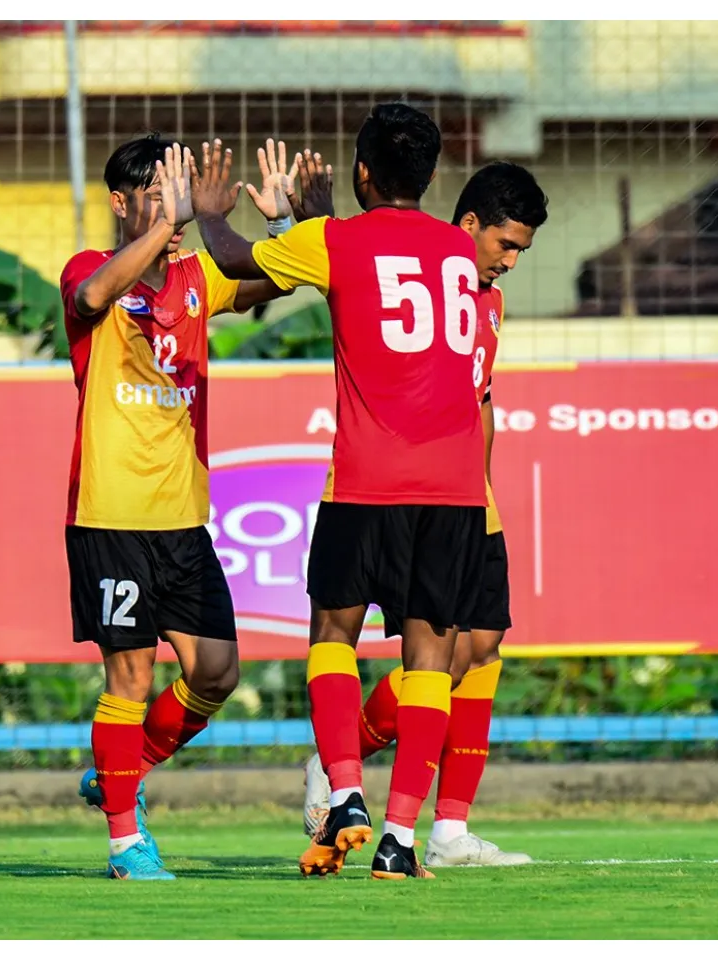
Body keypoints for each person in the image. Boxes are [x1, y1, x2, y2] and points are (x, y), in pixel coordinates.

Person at [194, 103, 489, 880]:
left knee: (332, 632)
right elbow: (363, 269)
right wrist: (315, 219)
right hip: (457, 485)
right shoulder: (459, 250)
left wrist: (208, 215)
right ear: (428, 178)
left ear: (362, 172)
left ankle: (347, 792)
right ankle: (400, 840)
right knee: (430, 656)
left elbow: (233, 262)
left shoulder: (335, 240)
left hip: (369, 480)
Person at [301, 162, 550, 868]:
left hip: (466, 497)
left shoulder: (487, 301)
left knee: (484, 644)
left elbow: (483, 402)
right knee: (440, 650)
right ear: (467, 224)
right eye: (505, 245)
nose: (508, 263)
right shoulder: (412, 274)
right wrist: (313, 220)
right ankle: (340, 758)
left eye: (519, 253)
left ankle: (448, 829)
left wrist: (485, 498)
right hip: (393, 487)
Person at [61, 135, 296, 880]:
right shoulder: (90, 270)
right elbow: (89, 299)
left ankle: (120, 774)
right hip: (110, 513)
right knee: (128, 678)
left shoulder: (196, 277)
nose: (176, 209)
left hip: (181, 516)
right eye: (160, 195)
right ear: (122, 204)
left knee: (217, 672)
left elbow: (273, 283)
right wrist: (168, 225)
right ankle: (127, 842)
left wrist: (282, 226)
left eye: (180, 193)